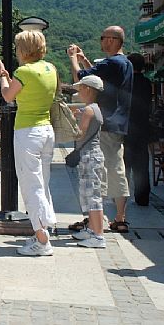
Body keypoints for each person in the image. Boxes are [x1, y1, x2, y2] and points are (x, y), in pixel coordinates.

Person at [0, 29, 58, 256]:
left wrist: (2, 75)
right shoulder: (50, 69)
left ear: (24, 49)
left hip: (28, 131)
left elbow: (8, 96)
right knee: (43, 183)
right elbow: (26, 91)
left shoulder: (24, 71)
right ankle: (44, 229)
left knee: (31, 185)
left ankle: (42, 239)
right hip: (47, 130)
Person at [68, 26, 133, 233]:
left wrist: (73, 58)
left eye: (103, 37)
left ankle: (95, 220)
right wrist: (86, 59)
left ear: (113, 40)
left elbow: (82, 79)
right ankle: (120, 218)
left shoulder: (112, 62)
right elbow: (101, 80)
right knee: (116, 169)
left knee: (97, 172)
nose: (101, 40)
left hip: (103, 123)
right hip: (119, 122)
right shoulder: (125, 63)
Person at [69, 75, 107, 248]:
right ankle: (92, 230)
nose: (79, 92)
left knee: (92, 196)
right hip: (93, 155)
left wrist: (71, 121)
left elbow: (80, 133)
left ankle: (98, 235)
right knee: (89, 193)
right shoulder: (95, 108)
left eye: (81, 88)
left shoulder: (88, 110)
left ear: (88, 89)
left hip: (89, 155)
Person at [124, 53, 152, 206]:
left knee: (124, 165)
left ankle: (122, 197)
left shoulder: (126, 82)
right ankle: (143, 198)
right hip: (143, 128)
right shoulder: (147, 83)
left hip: (127, 128)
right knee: (142, 165)